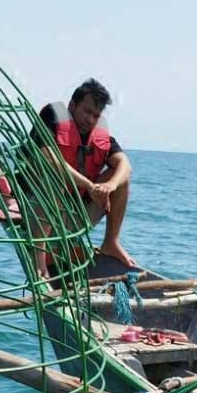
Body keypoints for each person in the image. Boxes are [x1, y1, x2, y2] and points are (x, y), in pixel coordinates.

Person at [34, 79, 135, 269]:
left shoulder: (100, 136)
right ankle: (39, 259)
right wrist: (90, 186)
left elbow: (125, 165)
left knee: (122, 178)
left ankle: (111, 243)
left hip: (73, 214)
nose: (90, 119)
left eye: (96, 116)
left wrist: (110, 185)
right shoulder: (52, 118)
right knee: (55, 179)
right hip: (37, 208)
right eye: (87, 111)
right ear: (73, 105)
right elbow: (51, 160)